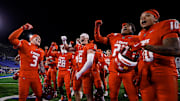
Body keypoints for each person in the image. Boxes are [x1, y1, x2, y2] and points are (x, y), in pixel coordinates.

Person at [138, 9, 180, 101]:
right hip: (145, 75)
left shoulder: (164, 25)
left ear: (156, 18)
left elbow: (175, 49)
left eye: (147, 15)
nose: (143, 18)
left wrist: (146, 46)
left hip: (163, 72)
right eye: (141, 17)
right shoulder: (141, 34)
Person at [94, 20, 140, 101]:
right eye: (123, 26)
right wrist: (97, 26)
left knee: (133, 95)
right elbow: (98, 39)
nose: (124, 27)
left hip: (128, 70)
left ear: (132, 30)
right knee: (113, 95)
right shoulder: (114, 36)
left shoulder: (136, 38)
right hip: (114, 69)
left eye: (127, 25)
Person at [8, 23, 45, 101]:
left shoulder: (41, 51)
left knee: (39, 95)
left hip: (35, 76)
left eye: (40, 39)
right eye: (37, 38)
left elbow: (41, 65)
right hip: (25, 75)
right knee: (22, 98)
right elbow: (11, 39)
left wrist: (45, 75)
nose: (39, 39)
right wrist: (23, 28)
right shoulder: (25, 44)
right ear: (31, 39)